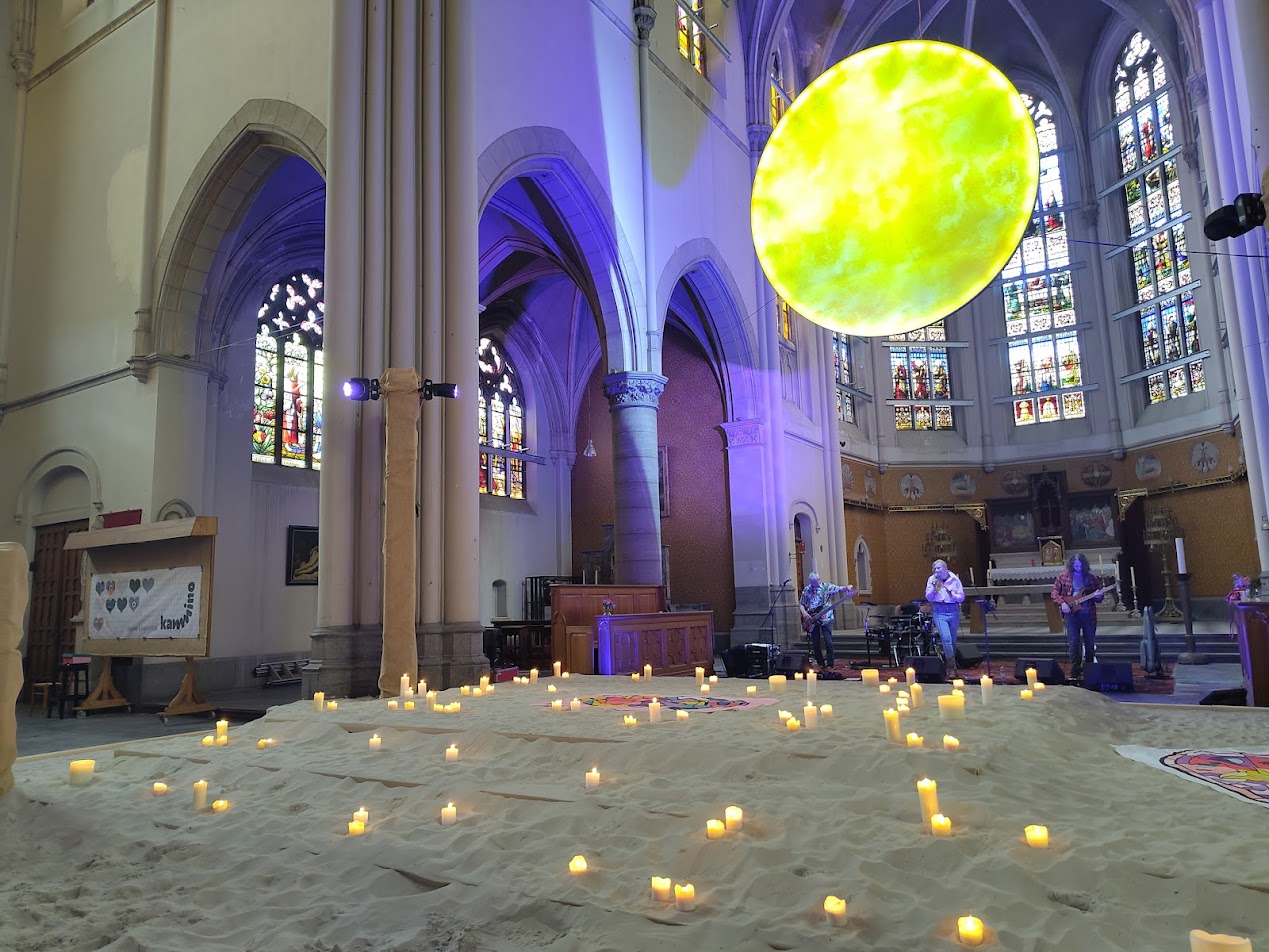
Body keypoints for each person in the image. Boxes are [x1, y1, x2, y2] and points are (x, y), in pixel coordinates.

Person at [1051, 553, 1104, 683]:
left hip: (1088, 614)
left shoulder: (1091, 578)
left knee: (1090, 644)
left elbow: (1099, 597)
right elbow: (1054, 593)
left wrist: (1098, 596)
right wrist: (1062, 603)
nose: (1078, 568)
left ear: (1084, 565)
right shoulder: (1063, 577)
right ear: (1071, 565)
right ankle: (1075, 670)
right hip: (1072, 615)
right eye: (1076, 565)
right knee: (1074, 643)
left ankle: (1090, 671)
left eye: (1080, 565)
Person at [798, 572, 855, 671]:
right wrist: (804, 613)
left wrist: (847, 588)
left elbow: (839, 589)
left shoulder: (826, 587)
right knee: (815, 643)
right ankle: (820, 663)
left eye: (815, 582)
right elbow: (801, 604)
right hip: (812, 619)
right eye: (812, 582)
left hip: (826, 618)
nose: (814, 585)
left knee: (828, 642)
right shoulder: (807, 589)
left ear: (819, 580)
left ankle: (830, 664)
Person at [924, 559, 966, 678]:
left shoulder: (954, 579)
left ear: (945, 568)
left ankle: (950, 662)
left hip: (953, 610)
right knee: (946, 638)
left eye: (939, 568)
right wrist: (933, 588)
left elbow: (961, 597)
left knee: (952, 640)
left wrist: (954, 595)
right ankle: (951, 667)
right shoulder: (932, 580)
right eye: (935, 568)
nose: (936, 570)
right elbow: (929, 597)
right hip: (939, 611)